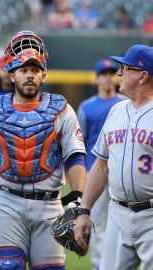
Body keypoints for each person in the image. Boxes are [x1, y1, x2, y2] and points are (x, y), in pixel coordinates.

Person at [0, 30, 86, 270]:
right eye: (23, 70)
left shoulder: (62, 109)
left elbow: (75, 157)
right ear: (12, 76)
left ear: (44, 74)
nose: (29, 75)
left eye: (34, 70)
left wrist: (77, 200)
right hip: (5, 200)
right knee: (8, 266)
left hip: (49, 204)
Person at [75, 44, 153, 270]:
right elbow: (100, 166)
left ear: (142, 76)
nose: (119, 73)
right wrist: (84, 210)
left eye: (125, 68)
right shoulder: (116, 111)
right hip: (118, 216)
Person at [77, 59, 125, 270]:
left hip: (121, 172)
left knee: (122, 220)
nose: (107, 77)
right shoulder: (86, 107)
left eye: (110, 73)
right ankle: (99, 265)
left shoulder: (124, 103)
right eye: (103, 74)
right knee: (95, 220)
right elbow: (80, 143)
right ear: (97, 78)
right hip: (94, 170)